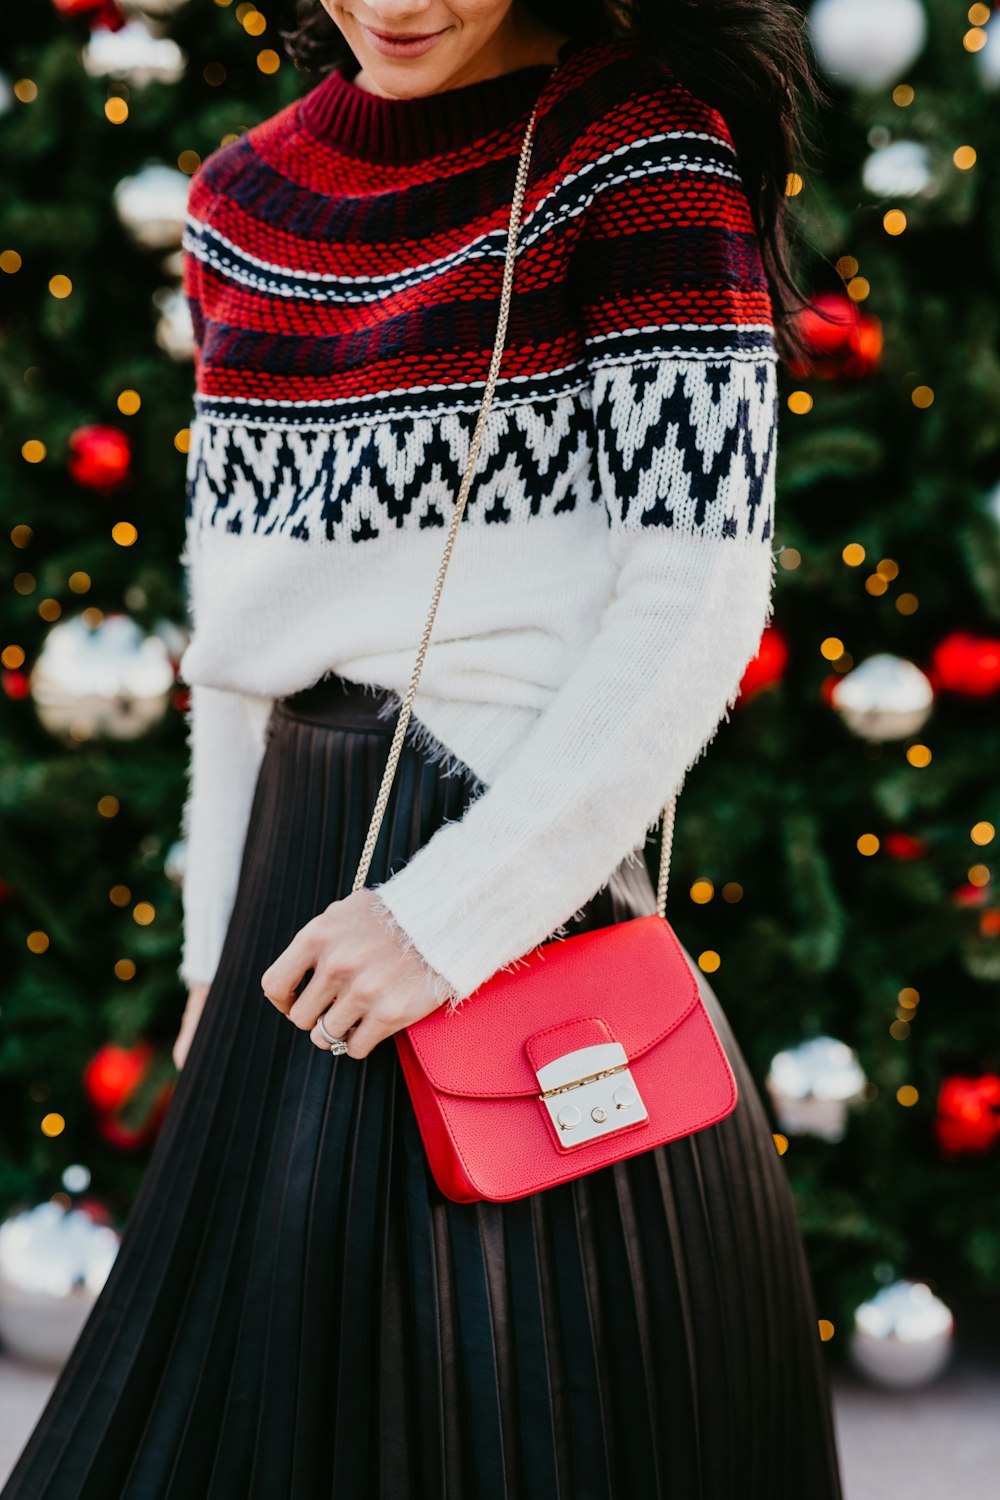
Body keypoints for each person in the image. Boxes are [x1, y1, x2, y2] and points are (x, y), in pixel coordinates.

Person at [2, 1, 846, 1495]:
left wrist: (444, 924)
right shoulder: (243, 202)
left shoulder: (638, 159)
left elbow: (697, 600)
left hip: (518, 907)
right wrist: (210, 956)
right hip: (297, 918)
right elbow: (243, 646)